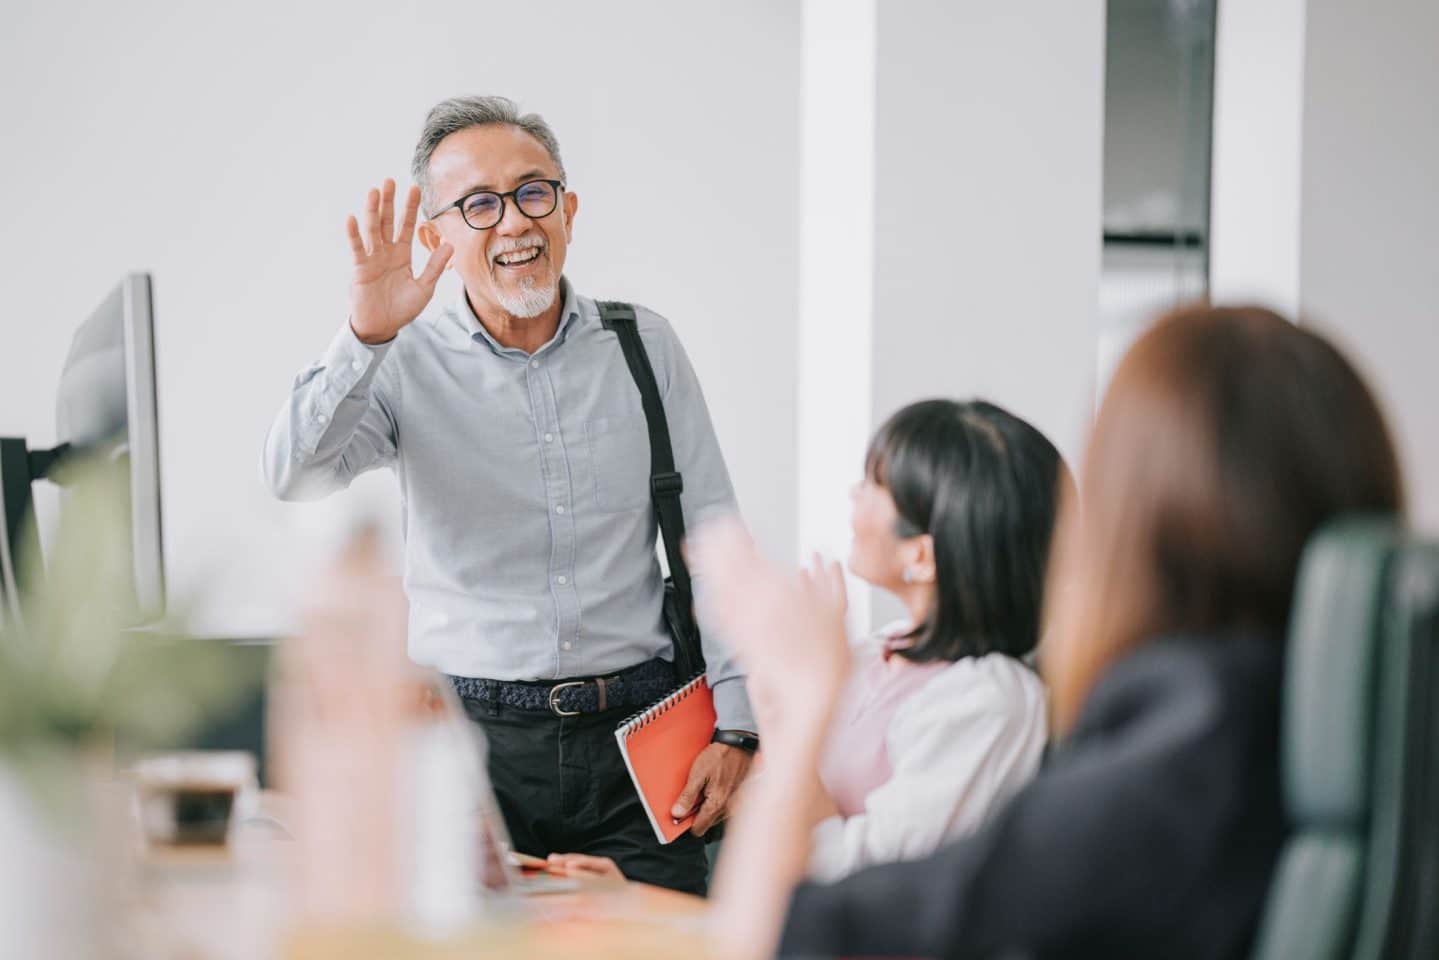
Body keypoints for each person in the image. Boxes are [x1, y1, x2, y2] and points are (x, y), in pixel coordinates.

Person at [696, 305, 1405, 959]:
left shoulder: (1164, 769)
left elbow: (774, 935)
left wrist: (807, 695)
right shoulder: (1350, 726)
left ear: (1133, 517)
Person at [262, 96, 755, 895]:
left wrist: (741, 729)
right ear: (436, 237)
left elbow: (716, 538)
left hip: (640, 744)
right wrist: (365, 335)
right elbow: (295, 473)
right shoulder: (401, 361)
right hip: (466, 748)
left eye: (534, 192)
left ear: (568, 208)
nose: (515, 223)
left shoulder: (642, 345)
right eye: (479, 206)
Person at [548, 398, 1064, 884]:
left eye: (874, 485)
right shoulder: (878, 652)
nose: (853, 495)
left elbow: (863, 879)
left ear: (922, 557)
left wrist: (801, 693)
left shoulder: (990, 701)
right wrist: (636, 900)